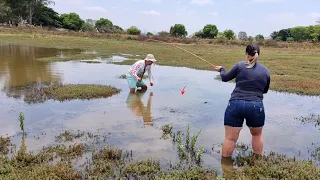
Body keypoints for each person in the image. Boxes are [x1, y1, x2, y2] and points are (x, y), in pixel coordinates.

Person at [214, 44, 270, 158]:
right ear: (258, 55)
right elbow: (264, 90)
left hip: (235, 104)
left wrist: (222, 69)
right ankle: (257, 162)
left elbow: (225, 78)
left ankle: (226, 170)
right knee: (257, 135)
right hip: (255, 106)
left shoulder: (240, 65)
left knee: (230, 138)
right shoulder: (265, 71)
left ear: (246, 54)